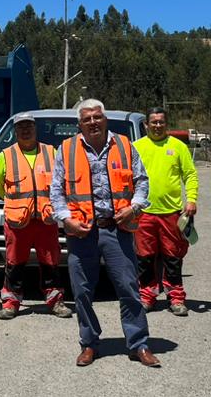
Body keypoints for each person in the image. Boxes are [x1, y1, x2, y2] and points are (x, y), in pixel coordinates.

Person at [50, 99, 159, 368]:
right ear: (79, 124)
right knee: (82, 291)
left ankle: (138, 344)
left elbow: (141, 181)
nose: (93, 123)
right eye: (86, 119)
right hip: (82, 231)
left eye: (97, 117)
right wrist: (66, 220)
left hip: (117, 229)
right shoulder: (66, 149)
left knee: (129, 288)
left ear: (105, 119)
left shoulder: (124, 145)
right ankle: (89, 344)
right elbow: (56, 191)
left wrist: (134, 208)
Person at [0, 113, 71, 320]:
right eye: (21, 127)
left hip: (46, 220)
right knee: (14, 262)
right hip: (18, 222)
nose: (25, 130)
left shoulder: (51, 152)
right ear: (15, 131)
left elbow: (60, 182)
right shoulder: (6, 155)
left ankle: (55, 300)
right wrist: (16, 203)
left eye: (29, 126)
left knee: (51, 262)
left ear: (35, 129)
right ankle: (11, 302)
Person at [132, 107, 198, 315]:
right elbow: (126, 177)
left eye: (161, 122)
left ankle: (176, 298)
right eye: (153, 122)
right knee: (145, 258)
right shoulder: (136, 147)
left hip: (171, 213)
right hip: (144, 213)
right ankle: (147, 296)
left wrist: (192, 200)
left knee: (173, 257)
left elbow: (190, 175)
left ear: (166, 124)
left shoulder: (178, 147)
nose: (157, 125)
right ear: (146, 125)